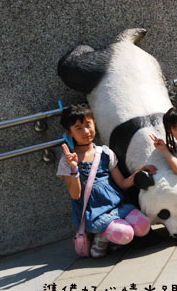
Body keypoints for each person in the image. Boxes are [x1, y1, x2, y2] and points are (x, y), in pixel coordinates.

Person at [57, 103, 155, 258]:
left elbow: (122, 183)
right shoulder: (67, 160)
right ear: (69, 133)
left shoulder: (105, 153)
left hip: (118, 205)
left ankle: (110, 238)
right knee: (126, 234)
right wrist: (74, 169)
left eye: (88, 125)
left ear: (94, 123)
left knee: (143, 226)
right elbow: (75, 195)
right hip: (95, 212)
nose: (86, 131)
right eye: (78, 128)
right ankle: (101, 235)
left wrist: (139, 173)